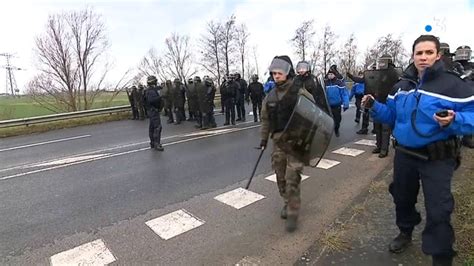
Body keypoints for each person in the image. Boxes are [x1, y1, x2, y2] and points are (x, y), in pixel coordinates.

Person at [362, 35, 474, 266]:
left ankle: (441, 256)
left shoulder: (454, 85)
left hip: (437, 158)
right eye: (419, 53)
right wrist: (374, 106)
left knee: (439, 210)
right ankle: (405, 232)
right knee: (402, 198)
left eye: (428, 53)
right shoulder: (401, 86)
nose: (423, 57)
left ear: (438, 55)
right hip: (404, 155)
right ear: (412, 56)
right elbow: (392, 116)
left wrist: (456, 119)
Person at [260, 55, 315, 232]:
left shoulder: (299, 91)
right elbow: (265, 119)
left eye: (279, 73)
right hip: (278, 143)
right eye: (273, 73)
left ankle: (293, 210)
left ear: (287, 72)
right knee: (281, 177)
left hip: (296, 143)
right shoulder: (270, 96)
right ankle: (286, 201)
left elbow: (312, 113)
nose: (276, 76)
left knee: (293, 177)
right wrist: (263, 139)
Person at [325, 67, 349, 137]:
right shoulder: (325, 83)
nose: (330, 75)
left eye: (331, 74)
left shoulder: (339, 83)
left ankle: (336, 128)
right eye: (329, 74)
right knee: (327, 119)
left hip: (337, 105)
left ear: (334, 75)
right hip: (328, 105)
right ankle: (328, 131)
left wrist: (346, 104)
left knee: (337, 119)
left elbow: (344, 94)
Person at [144, 75, 165, 151]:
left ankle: (153, 143)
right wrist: (160, 97)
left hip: (151, 111)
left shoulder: (150, 90)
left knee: (152, 127)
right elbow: (151, 101)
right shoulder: (150, 91)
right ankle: (156, 144)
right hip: (153, 111)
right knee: (157, 127)